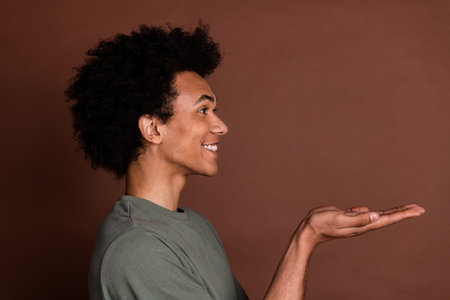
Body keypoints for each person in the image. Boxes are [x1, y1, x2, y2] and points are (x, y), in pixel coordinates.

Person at [65, 23, 425, 300]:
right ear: (152, 128)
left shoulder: (192, 225)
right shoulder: (136, 249)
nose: (221, 125)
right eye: (203, 110)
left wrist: (307, 236)